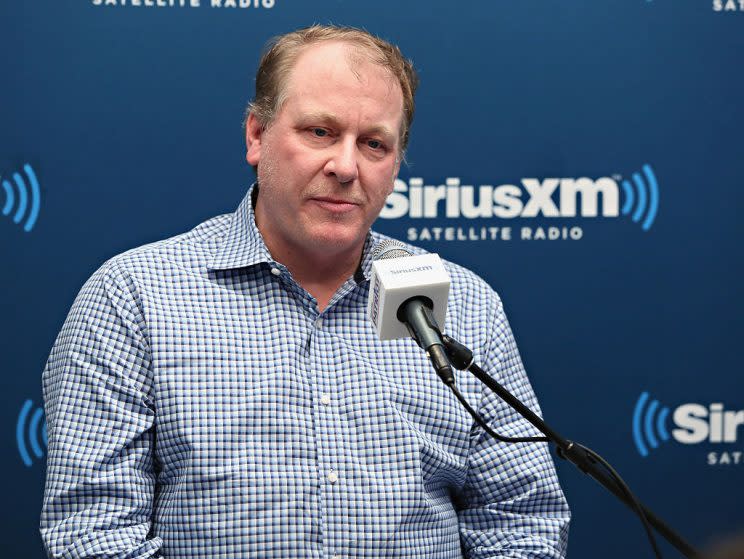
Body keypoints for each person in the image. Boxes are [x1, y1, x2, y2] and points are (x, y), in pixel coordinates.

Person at [41, 25, 570, 558]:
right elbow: (94, 535)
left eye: (374, 144)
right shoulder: (134, 297)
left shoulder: (466, 305)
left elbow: (521, 521)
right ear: (256, 136)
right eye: (319, 132)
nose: (345, 167)